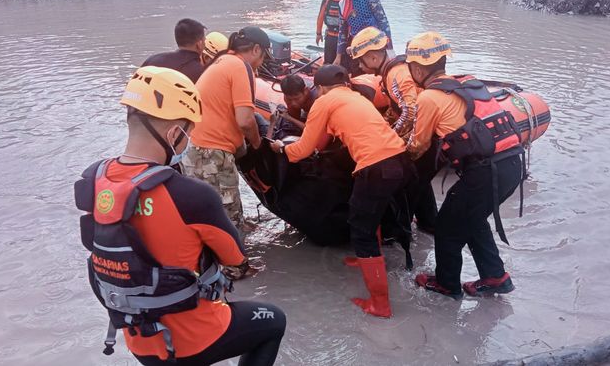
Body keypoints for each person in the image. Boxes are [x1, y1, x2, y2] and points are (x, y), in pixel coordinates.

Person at [74, 66, 286, 365]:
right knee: (273, 321)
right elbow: (236, 258)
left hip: (140, 339)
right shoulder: (191, 195)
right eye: (187, 133)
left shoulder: (94, 181)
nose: (187, 142)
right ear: (175, 134)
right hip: (192, 338)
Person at [269, 65, 415, 318]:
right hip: (400, 160)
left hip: (375, 167)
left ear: (320, 88)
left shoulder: (323, 102)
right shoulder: (356, 98)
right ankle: (365, 259)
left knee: (361, 230)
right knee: (373, 214)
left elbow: (303, 150)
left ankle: (380, 304)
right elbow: (323, 139)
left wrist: (282, 150)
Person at [404, 32, 524, 299]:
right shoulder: (467, 83)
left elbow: (418, 145)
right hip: (512, 164)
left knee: (447, 224)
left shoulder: (429, 98)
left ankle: (447, 284)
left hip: (484, 172)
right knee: (471, 218)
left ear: (418, 67)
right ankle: (496, 277)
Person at [182, 26, 273, 278]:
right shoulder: (240, 67)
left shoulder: (221, 61)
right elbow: (245, 120)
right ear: (256, 50)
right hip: (210, 152)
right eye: (263, 56)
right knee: (225, 211)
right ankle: (234, 268)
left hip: (196, 148)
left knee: (213, 208)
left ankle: (211, 262)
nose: (262, 62)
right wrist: (258, 145)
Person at [349, 27, 438, 234]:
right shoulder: (393, 71)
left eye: (361, 61)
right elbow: (396, 108)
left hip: (423, 136)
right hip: (427, 133)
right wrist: (381, 124)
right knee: (420, 182)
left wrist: (391, 136)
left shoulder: (395, 73)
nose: (360, 66)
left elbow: (410, 110)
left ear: (372, 56)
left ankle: (401, 232)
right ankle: (428, 223)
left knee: (409, 185)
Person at [332, 0, 392, 74]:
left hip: (374, 42)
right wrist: (338, 55)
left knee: (377, 72)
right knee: (357, 73)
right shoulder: (342, 4)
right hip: (354, 44)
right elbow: (342, 30)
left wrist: (389, 47)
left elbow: (383, 21)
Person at [142, 19, 207, 84]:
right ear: (199, 44)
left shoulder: (151, 61)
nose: (205, 44)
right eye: (204, 40)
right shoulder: (200, 72)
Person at [315, 0, 349, 65]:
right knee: (344, 65)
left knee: (328, 63)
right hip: (344, 39)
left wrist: (318, 33)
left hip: (330, 37)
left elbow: (321, 16)